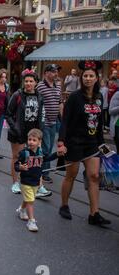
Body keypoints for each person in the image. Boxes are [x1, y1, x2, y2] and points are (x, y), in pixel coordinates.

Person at [58, 60, 111, 226]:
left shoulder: (99, 97)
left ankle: (94, 214)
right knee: (71, 175)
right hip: (74, 142)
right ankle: (64, 205)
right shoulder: (74, 97)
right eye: (85, 76)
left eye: (91, 76)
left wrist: (102, 144)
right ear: (82, 78)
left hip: (92, 143)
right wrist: (61, 142)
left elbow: (100, 121)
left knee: (94, 176)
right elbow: (65, 121)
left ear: (97, 78)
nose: (88, 78)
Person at [5, 69, 51, 197]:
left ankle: (39, 185)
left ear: (36, 82)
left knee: (36, 158)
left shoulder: (39, 96)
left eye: (31, 81)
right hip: (19, 132)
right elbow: (8, 114)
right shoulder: (17, 95)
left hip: (34, 132)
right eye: (26, 81)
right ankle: (15, 183)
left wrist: (40, 131)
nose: (28, 83)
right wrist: (16, 129)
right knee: (17, 157)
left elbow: (42, 114)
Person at [15, 129, 58, 232]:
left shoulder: (40, 153)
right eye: (29, 139)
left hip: (35, 182)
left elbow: (47, 158)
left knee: (28, 199)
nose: (31, 142)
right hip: (26, 181)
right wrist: (20, 167)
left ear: (39, 142)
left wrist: (57, 154)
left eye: (34, 140)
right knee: (30, 201)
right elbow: (16, 165)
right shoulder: (24, 153)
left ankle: (21, 210)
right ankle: (31, 221)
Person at [36, 63, 63, 184]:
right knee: (46, 148)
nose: (55, 73)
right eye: (53, 71)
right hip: (44, 122)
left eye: (56, 71)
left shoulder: (58, 86)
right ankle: (44, 172)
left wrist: (62, 118)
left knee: (50, 146)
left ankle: (41, 168)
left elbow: (59, 101)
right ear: (46, 73)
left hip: (54, 121)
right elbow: (36, 102)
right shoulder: (40, 86)